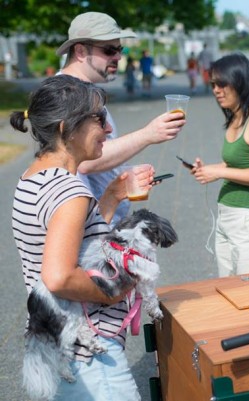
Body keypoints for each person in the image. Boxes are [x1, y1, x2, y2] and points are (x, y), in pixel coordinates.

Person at [11, 74, 154, 401]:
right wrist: (115, 291)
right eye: (99, 119)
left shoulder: (34, 177)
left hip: (57, 340)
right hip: (91, 355)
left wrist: (111, 197)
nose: (108, 129)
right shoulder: (69, 190)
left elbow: (73, 246)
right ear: (66, 127)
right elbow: (60, 277)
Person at [57, 12, 185, 225]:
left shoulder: (85, 91)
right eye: (109, 50)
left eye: (119, 50)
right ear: (80, 51)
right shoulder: (67, 93)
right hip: (88, 230)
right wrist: (148, 134)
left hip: (101, 221)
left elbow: (93, 158)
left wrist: (123, 173)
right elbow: (84, 162)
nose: (117, 57)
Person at [190, 53, 249, 277]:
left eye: (222, 84)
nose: (216, 90)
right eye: (213, 84)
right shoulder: (235, 118)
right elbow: (234, 164)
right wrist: (209, 170)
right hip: (227, 217)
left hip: (248, 220)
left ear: (240, 81)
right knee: (229, 291)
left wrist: (219, 171)